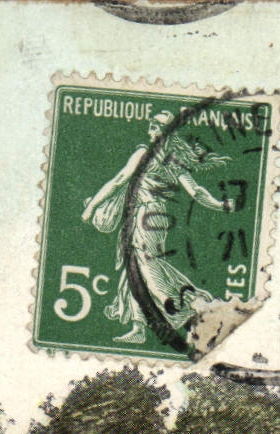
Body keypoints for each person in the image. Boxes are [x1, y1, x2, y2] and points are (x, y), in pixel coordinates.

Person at [82, 112, 240, 343]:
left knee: (147, 264)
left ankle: (185, 303)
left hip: (144, 215)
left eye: (156, 125)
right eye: (153, 124)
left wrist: (91, 208)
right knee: (136, 268)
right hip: (159, 217)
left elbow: (118, 181)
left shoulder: (143, 153)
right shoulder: (175, 161)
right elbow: (195, 191)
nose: (151, 127)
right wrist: (220, 205)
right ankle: (139, 328)